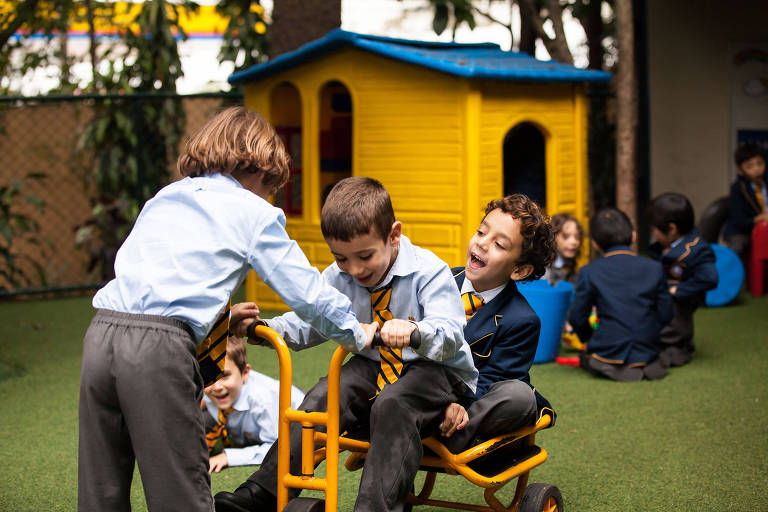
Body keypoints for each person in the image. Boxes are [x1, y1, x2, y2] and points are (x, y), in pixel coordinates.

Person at [78, 107, 375, 512]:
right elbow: (307, 293)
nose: (268, 197)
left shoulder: (167, 195)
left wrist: (222, 318)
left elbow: (163, 274)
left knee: (101, 486)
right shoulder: (252, 211)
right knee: (178, 486)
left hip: (101, 335)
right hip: (156, 351)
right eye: (270, 187)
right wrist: (357, 331)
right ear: (259, 168)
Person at [214, 176, 478, 512]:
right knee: (324, 395)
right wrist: (263, 328)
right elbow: (312, 321)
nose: (353, 269)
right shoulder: (338, 277)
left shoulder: (429, 271)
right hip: (375, 363)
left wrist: (414, 332)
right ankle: (264, 492)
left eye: (365, 256)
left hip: (436, 369)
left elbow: (451, 333)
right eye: (342, 259)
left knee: (394, 404)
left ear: (393, 235)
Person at [438, 195, 556, 452]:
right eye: (481, 232)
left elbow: (491, 381)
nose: (481, 243)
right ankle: (426, 420)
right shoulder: (438, 280)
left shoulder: (521, 320)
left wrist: (455, 407)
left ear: (519, 270)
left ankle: (452, 433)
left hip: (465, 405)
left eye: (499, 244)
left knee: (519, 396)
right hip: (420, 389)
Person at [557, 208, 674, 381]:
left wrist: (588, 339)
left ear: (595, 244)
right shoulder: (655, 268)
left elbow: (577, 317)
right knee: (653, 355)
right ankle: (646, 364)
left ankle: (615, 367)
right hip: (648, 347)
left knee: (595, 359)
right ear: (633, 236)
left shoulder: (590, 272)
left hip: (607, 349)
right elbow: (666, 314)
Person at [203, 334, 305, 473]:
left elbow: (278, 447)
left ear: (245, 373)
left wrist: (228, 457)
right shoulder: (211, 390)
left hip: (301, 412)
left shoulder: (262, 401)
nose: (217, 387)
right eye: (209, 378)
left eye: (224, 376)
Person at [646, 193, 718, 367]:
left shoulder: (697, 250)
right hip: (666, 290)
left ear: (671, 229)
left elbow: (710, 278)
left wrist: (679, 290)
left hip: (683, 297)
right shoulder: (668, 244)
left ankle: (677, 350)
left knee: (677, 322)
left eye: (654, 230)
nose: (653, 234)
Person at [723, 143, 768, 257]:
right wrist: (759, 218)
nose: (757, 169)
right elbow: (739, 221)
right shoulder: (738, 188)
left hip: (765, 230)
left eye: (760, 163)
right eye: (750, 166)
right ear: (740, 170)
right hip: (743, 231)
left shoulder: (766, 183)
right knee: (738, 245)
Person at [542, 213, 584, 286]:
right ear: (553, 237)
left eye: (577, 237)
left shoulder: (570, 263)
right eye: (566, 236)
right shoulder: (543, 268)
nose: (573, 242)